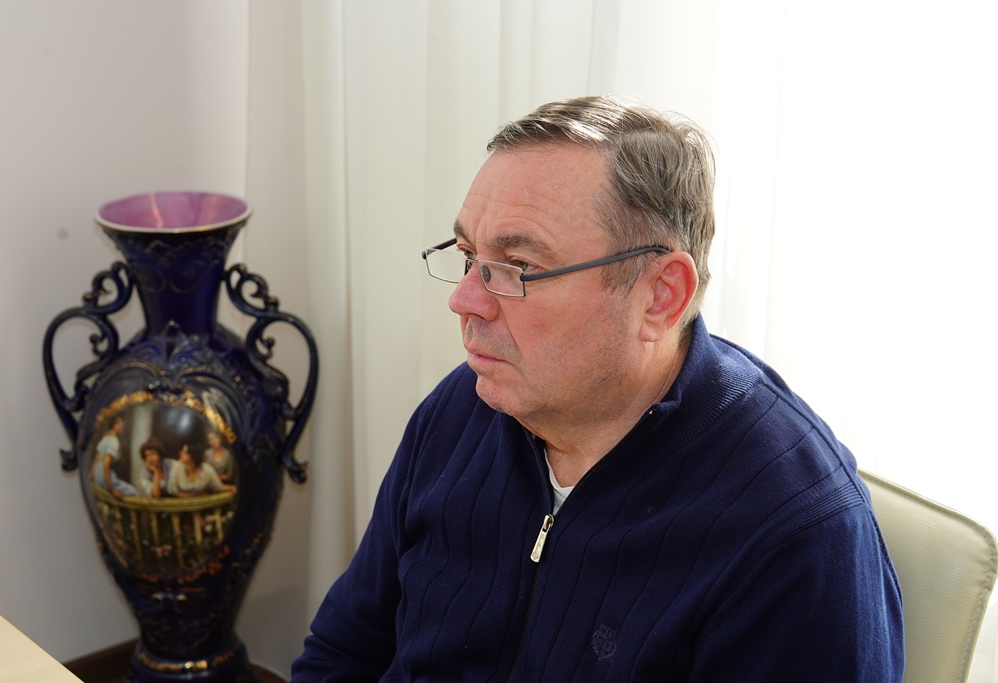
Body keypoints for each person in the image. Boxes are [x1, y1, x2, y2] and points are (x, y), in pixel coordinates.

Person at [291, 96, 903, 681]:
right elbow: (344, 652)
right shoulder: (464, 406)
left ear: (661, 296)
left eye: (520, 267)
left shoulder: (794, 531)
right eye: (470, 255)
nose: (465, 300)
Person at [90, 415, 138, 498]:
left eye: (122, 422)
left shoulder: (105, 437)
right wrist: (112, 489)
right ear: (112, 425)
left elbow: (96, 459)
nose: (121, 425)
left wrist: (91, 475)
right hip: (104, 477)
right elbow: (105, 465)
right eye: (117, 423)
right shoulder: (114, 441)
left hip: (97, 475)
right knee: (134, 492)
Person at [168, 441, 236, 498]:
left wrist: (232, 488)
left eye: (185, 452)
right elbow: (172, 491)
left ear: (193, 455)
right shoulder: (177, 467)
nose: (181, 453)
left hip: (203, 507)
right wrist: (195, 495)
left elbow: (218, 487)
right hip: (182, 507)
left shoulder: (206, 469)